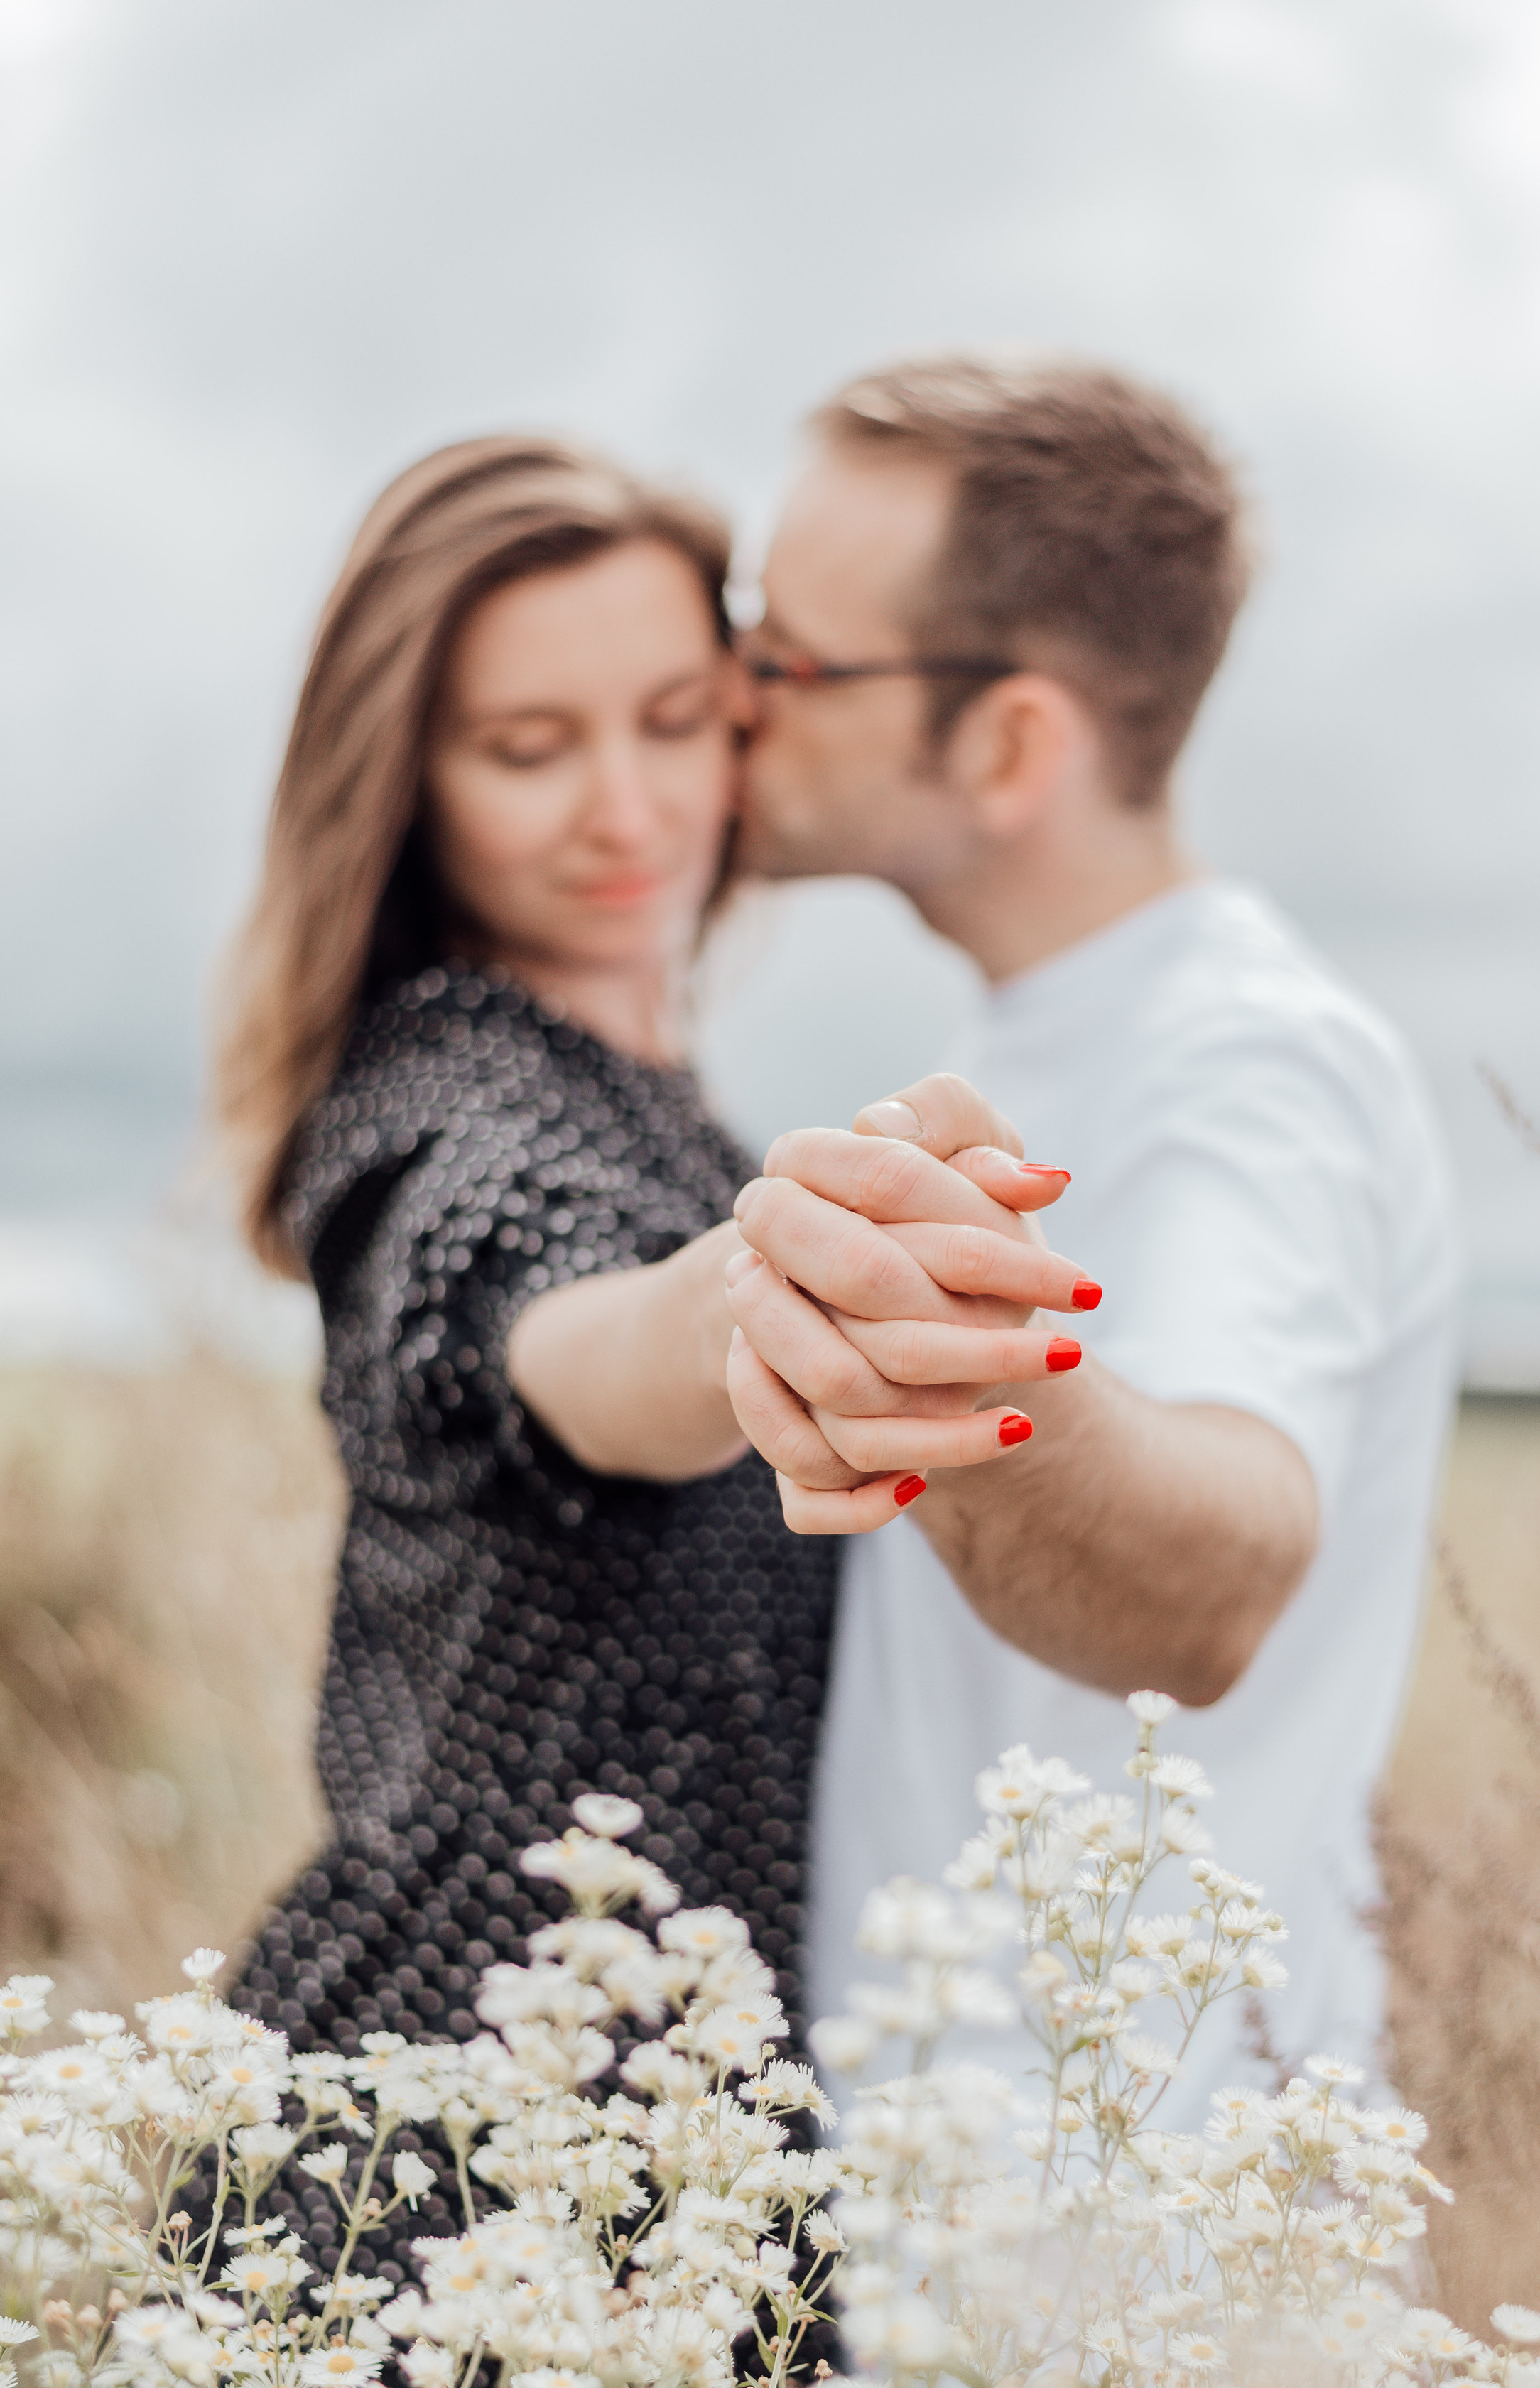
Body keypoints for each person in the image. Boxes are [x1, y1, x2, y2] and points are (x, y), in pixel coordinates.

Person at [214, 434, 1086, 2283]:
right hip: (453, 2136)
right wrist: (751, 1301)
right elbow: (563, 1324)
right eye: (529, 748)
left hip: (683, 2130)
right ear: (411, 779)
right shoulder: (433, 1105)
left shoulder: (666, 1106)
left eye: (676, 718)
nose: (625, 806)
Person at [720, 358, 1461, 2107]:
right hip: (977, 2213)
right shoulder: (1051, 1036)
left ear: (1006, 745)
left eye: (788, 658)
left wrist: (961, 1373)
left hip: (1135, 2259)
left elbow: (1215, 1573)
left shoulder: (1246, 1066)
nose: (731, 699)